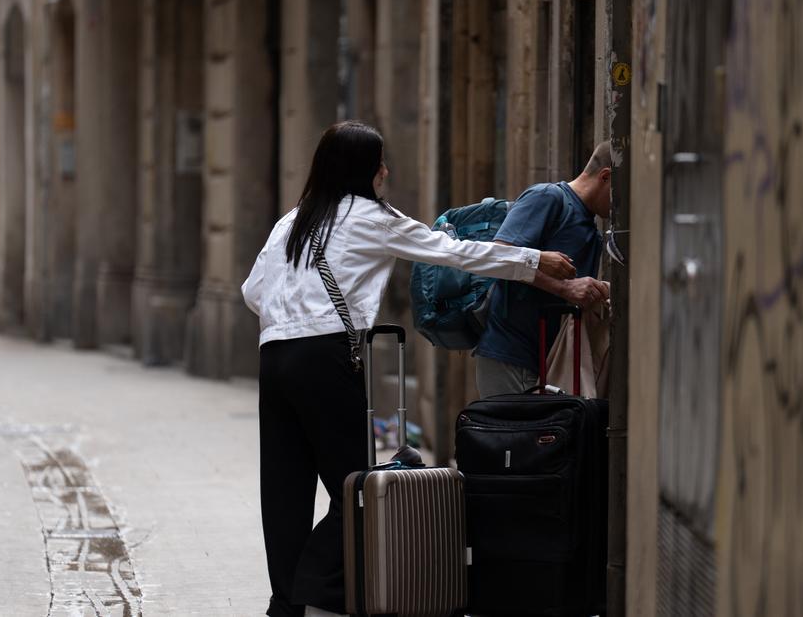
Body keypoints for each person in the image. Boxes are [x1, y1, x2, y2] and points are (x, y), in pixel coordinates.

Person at [240, 121, 576, 617]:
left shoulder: (290, 222)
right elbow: (453, 252)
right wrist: (534, 261)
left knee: (284, 488)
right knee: (355, 485)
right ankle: (315, 588)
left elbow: (251, 292)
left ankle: (286, 603)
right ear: (365, 170)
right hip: (327, 357)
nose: (386, 170)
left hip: (274, 356)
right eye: (379, 162)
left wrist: (291, 318)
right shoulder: (373, 217)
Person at [474, 141, 615, 397]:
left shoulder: (590, 226)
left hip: (551, 360)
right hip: (512, 355)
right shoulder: (547, 197)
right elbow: (499, 256)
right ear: (605, 177)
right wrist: (565, 288)